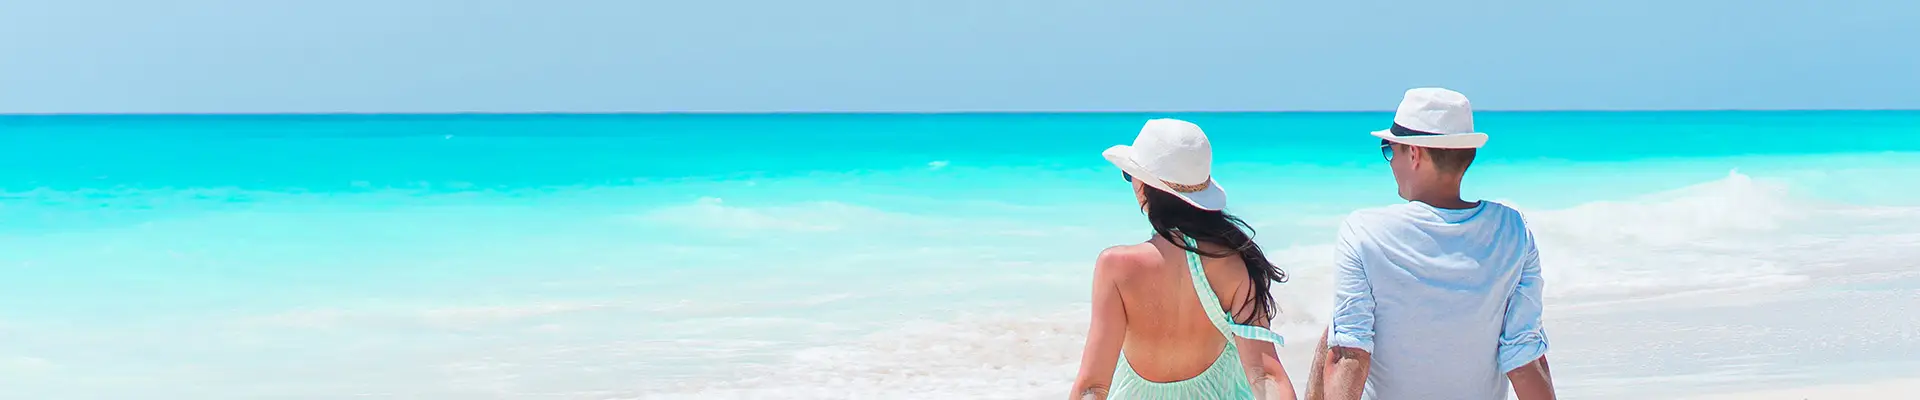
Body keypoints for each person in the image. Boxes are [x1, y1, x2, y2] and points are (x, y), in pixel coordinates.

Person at [1305, 88, 1556, 400]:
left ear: (1414, 153)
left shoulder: (1363, 232)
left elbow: (1349, 356)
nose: (1390, 161)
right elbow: (1525, 357)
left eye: (1390, 149)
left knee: (1336, 331)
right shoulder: (1513, 230)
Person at [1069, 118, 1296, 400]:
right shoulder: (1235, 262)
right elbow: (1266, 376)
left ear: (1144, 186)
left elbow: (1093, 387)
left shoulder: (1116, 267)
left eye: (1130, 175)